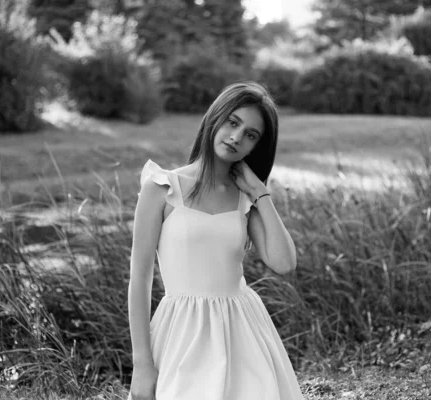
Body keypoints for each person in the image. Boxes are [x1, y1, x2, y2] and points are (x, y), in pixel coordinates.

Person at [127, 81, 304, 400]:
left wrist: (261, 195)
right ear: (215, 118)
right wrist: (142, 364)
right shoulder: (161, 188)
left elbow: (284, 262)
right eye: (233, 122)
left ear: (255, 147)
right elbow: (140, 278)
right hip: (181, 331)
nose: (237, 137)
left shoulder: (244, 199)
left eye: (251, 134)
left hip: (242, 330)